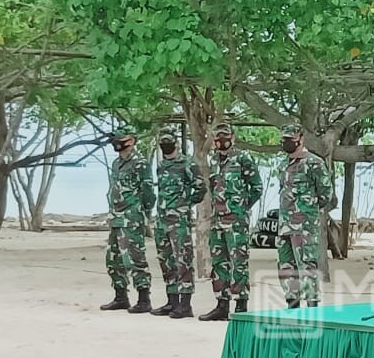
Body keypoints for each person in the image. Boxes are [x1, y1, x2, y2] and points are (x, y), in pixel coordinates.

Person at [199, 122, 263, 322]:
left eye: (224, 137)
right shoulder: (214, 160)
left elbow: (256, 188)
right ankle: (221, 304)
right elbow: (213, 187)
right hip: (217, 220)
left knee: (239, 263)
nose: (220, 141)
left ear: (232, 138)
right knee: (219, 263)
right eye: (217, 138)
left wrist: (241, 207)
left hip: (236, 221)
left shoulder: (243, 159)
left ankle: (241, 305)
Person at [276, 124, 335, 308]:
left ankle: (312, 305)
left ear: (301, 140)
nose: (287, 143)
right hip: (285, 224)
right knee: (286, 265)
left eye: (291, 139)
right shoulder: (283, 164)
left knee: (307, 266)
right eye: (284, 139)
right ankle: (292, 303)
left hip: (304, 225)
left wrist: (309, 211)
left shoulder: (314, 163)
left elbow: (326, 193)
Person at [151, 126, 206, 319]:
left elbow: (200, 187)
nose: (166, 146)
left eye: (168, 142)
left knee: (183, 260)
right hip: (161, 220)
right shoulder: (161, 165)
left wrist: (185, 204)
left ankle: (185, 304)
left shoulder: (187, 164)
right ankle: (171, 301)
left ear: (175, 143)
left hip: (179, 221)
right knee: (166, 261)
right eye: (162, 143)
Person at [100, 125, 156, 312]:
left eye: (120, 139)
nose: (116, 142)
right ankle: (120, 296)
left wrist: (143, 213)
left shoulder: (140, 163)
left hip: (132, 217)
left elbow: (148, 192)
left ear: (131, 140)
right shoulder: (117, 164)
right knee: (113, 260)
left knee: (135, 258)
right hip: (116, 217)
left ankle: (143, 299)